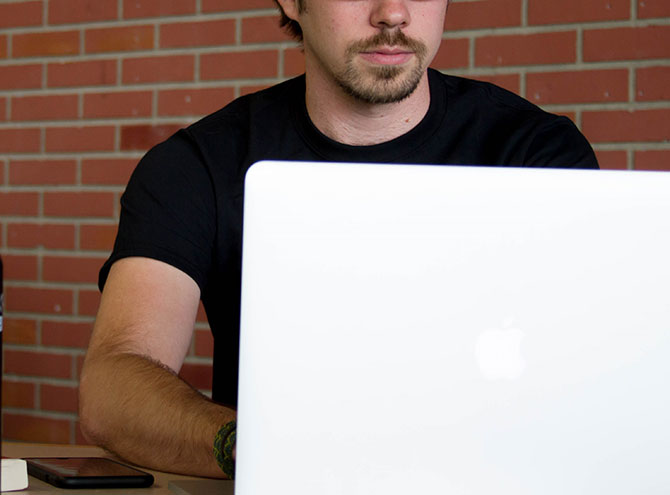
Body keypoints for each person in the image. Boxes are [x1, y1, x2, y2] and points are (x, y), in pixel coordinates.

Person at [79, 0, 599, 480]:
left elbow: (595, 380)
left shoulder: (537, 156)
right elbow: (112, 385)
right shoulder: (199, 167)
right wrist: (257, 448)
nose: (392, 13)